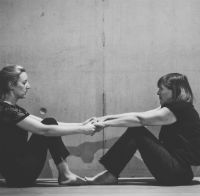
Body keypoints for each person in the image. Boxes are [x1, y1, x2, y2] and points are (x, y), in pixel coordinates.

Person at [85, 73, 200, 186]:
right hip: (178, 172)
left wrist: (106, 124)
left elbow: (140, 120)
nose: (157, 92)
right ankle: (111, 174)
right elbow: (139, 115)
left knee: (136, 131)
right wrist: (104, 118)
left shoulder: (179, 109)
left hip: (178, 173)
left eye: (161, 89)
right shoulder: (176, 108)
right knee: (136, 130)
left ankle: (110, 175)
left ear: (174, 90)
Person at [0, 65, 96, 187]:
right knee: (48, 128)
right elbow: (43, 130)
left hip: (18, 172)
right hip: (18, 174)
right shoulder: (5, 111)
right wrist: (82, 130)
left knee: (49, 122)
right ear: (11, 85)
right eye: (24, 83)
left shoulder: (12, 109)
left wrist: (82, 124)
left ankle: (65, 174)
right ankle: (65, 174)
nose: (28, 86)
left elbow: (44, 122)